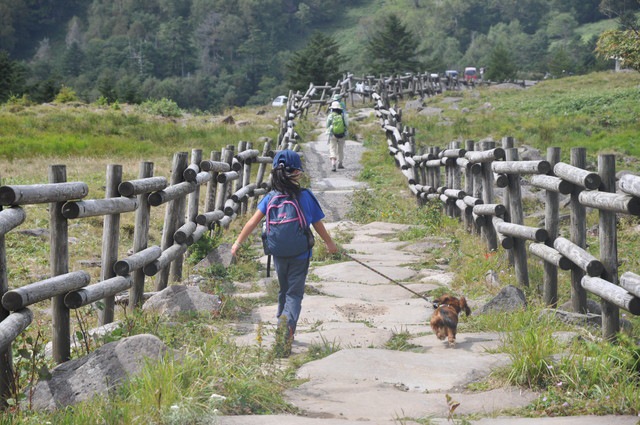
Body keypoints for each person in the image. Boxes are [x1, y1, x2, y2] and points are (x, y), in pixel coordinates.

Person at [231, 149, 338, 357]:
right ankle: (286, 325)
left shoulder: (270, 197)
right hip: (300, 253)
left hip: (278, 252)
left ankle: (281, 317)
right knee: (294, 294)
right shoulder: (304, 196)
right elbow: (317, 224)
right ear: (296, 172)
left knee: (283, 289)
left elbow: (253, 222)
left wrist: (237, 243)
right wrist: (330, 244)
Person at [326, 100, 348, 172]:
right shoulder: (343, 115)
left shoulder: (330, 115)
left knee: (332, 148)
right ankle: (340, 163)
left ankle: (333, 164)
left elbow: (327, 125)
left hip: (332, 134)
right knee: (340, 149)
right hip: (342, 134)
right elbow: (346, 125)